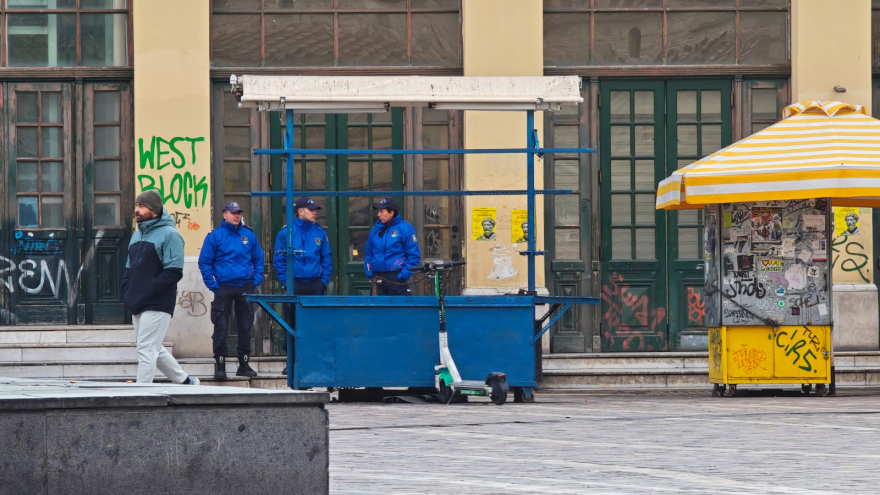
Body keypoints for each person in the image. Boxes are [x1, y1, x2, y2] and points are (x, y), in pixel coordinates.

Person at [123, 189, 199, 385]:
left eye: (141, 206)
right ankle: (184, 381)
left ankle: (142, 394)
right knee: (152, 346)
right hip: (138, 300)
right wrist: (128, 289)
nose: (136, 210)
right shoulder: (136, 235)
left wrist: (149, 290)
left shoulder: (170, 235)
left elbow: (174, 272)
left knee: (146, 349)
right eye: (136, 206)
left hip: (158, 301)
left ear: (154, 210)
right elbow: (128, 267)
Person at [198, 201, 265, 380]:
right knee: (221, 326)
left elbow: (259, 258)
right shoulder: (215, 236)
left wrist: (256, 280)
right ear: (224, 214)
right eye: (233, 212)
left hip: (245, 286)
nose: (237, 216)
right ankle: (220, 365)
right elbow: (205, 261)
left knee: (245, 326)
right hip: (224, 287)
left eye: (239, 212)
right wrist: (213, 284)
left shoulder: (248, 235)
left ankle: (244, 364)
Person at [273, 197, 332, 376]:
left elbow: (326, 258)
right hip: (294, 284)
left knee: (315, 324)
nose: (315, 212)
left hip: (315, 284)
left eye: (315, 209)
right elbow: (279, 260)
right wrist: (285, 282)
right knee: (291, 322)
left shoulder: (320, 232)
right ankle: (291, 362)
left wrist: (323, 281)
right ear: (300, 212)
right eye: (311, 209)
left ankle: (313, 362)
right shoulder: (285, 233)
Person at [364, 197, 421, 296]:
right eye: (378, 211)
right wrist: (369, 271)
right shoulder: (375, 230)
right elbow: (368, 253)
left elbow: (414, 255)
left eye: (382, 211)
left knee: (398, 311)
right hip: (377, 279)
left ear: (391, 213)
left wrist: (403, 275)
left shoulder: (405, 228)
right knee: (377, 310)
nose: (379, 215)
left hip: (396, 278)